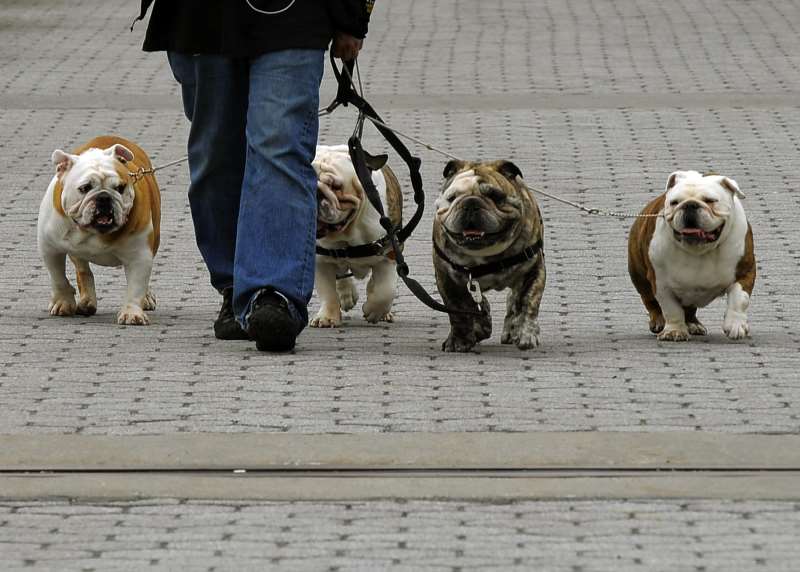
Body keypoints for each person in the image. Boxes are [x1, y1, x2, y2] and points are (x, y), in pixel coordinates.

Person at [134, 0, 373, 352]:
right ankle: (234, 284)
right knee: (216, 156)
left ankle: (273, 294)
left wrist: (352, 14)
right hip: (201, 17)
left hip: (294, 15)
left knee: (280, 148)